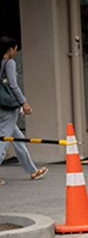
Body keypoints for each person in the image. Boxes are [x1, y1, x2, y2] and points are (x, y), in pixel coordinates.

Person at [0, 37, 48, 184]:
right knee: (3, 140)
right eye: (15, 48)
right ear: (10, 49)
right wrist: (24, 102)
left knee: (18, 139)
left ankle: (32, 170)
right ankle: (32, 170)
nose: (16, 51)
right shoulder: (9, 63)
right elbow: (13, 86)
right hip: (7, 108)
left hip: (1, 106)